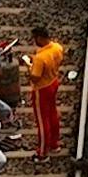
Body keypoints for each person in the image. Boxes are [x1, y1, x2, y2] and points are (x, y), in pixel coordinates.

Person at [26, 23, 63, 157]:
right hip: (53, 82)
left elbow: (35, 77)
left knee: (42, 120)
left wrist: (29, 67)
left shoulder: (40, 58)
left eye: (35, 38)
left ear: (40, 38)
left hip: (42, 89)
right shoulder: (57, 48)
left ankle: (42, 152)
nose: (34, 41)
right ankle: (54, 143)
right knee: (52, 114)